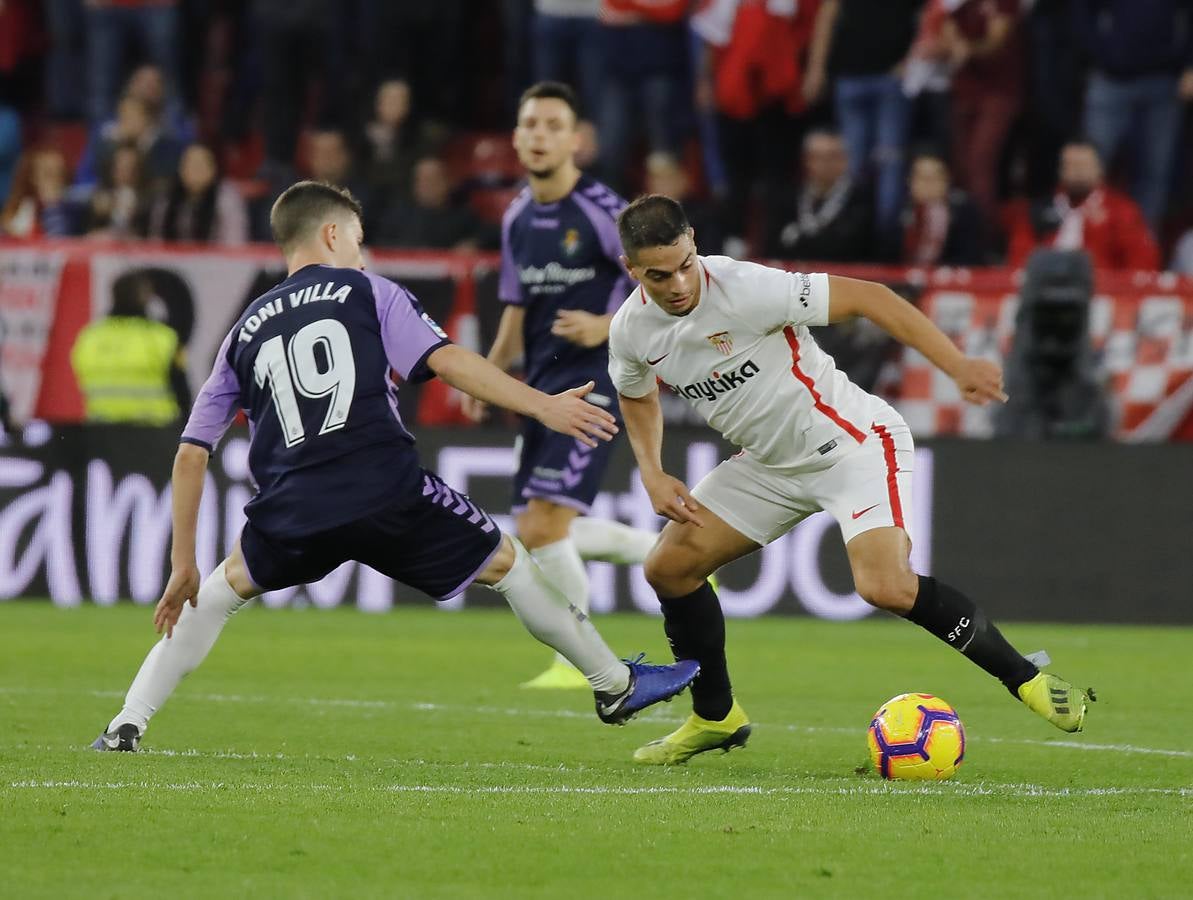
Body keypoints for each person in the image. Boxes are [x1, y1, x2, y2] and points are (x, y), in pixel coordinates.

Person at [90, 180, 699, 752]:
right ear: (332, 236)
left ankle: (125, 723)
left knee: (215, 593)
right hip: (383, 489)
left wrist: (182, 563)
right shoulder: (368, 290)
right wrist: (542, 406)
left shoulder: (243, 331)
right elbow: (449, 360)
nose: (362, 250)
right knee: (511, 564)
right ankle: (614, 684)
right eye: (357, 238)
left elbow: (192, 452)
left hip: (291, 507)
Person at [607, 194, 1094, 765]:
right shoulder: (632, 330)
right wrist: (653, 471)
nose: (680, 284)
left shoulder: (745, 288)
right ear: (633, 270)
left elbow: (871, 297)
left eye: (686, 263)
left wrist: (956, 365)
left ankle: (1028, 680)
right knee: (669, 568)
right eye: (659, 275)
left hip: (854, 446)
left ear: (694, 243)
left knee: (884, 586)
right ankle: (715, 717)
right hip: (768, 466)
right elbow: (634, 392)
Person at [461, 82, 661, 689]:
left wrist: (604, 324)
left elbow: (667, 282)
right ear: (517, 138)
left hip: (599, 378)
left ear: (576, 140)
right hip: (542, 387)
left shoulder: (606, 210)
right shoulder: (519, 215)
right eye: (531, 125)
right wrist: (490, 377)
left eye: (553, 125)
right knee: (546, 524)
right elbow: (517, 309)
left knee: (543, 527)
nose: (540, 135)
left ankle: (578, 661)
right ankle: (675, 555)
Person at [1005, 139, 1160, 271]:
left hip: (1101, 295)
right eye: (1071, 165)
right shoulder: (1039, 210)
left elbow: (1143, 264)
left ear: (1100, 170)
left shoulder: (1121, 211)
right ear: (1060, 170)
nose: (1077, 172)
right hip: (1043, 295)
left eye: (1084, 166)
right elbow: (1018, 260)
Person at [70, 270, 188, 425]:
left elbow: (80, 378)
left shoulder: (89, 338)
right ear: (145, 297)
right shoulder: (163, 339)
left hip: (103, 432)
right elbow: (182, 392)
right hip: (156, 433)